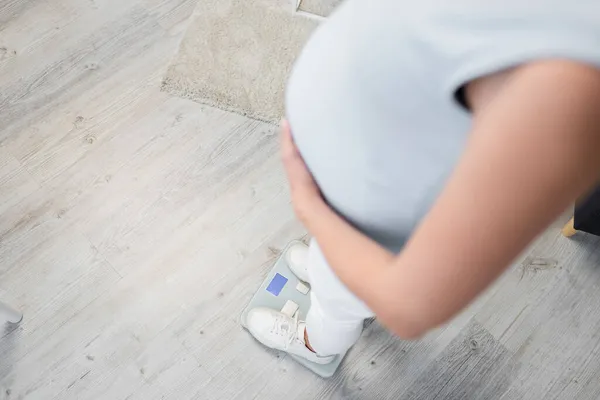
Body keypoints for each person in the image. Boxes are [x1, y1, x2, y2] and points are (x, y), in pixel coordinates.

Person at [246, 0, 600, 364]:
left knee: (338, 301)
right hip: (356, 189)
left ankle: (316, 344)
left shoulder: (571, 83)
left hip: (373, 232)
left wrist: (308, 205)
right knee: (333, 276)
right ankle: (334, 277)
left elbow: (409, 306)